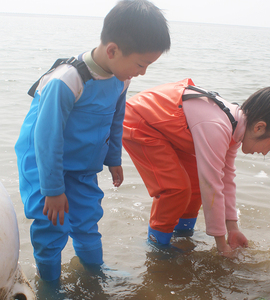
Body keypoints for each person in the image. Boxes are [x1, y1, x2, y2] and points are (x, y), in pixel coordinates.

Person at [15, 0, 170, 281]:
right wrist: (52, 189)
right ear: (113, 50)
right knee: (52, 225)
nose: (143, 72)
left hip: (82, 165)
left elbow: (115, 119)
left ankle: (94, 272)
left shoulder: (121, 78)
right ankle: (50, 284)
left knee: (87, 219)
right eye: (141, 64)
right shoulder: (67, 80)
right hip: (43, 164)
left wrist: (113, 159)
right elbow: (46, 138)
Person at [122, 78, 270, 257]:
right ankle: (157, 244)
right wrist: (222, 245)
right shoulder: (218, 127)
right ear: (260, 128)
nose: (266, 153)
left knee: (196, 186)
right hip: (140, 122)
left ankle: (182, 234)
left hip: (167, 128)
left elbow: (225, 180)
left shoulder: (235, 128)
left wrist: (233, 229)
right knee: (176, 188)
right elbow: (212, 185)